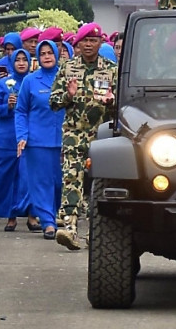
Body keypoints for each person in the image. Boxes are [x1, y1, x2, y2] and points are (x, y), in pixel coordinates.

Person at [49, 22, 117, 250]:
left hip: (102, 137)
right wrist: (68, 96)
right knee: (71, 181)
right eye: (84, 40)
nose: (88, 44)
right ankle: (69, 229)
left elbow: (123, 108)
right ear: (77, 44)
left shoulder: (111, 70)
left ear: (100, 43)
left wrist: (112, 102)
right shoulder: (67, 69)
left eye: (93, 40)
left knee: (98, 186)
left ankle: (96, 232)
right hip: (74, 134)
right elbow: (53, 103)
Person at [16, 40, 65, 241]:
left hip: (64, 139)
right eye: (42, 53)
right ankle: (48, 222)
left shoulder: (66, 77)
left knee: (58, 183)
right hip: (37, 141)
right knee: (41, 183)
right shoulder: (30, 80)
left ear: (56, 54)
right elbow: (20, 111)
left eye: (50, 53)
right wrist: (22, 136)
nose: (46, 56)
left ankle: (56, 214)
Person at [0, 49, 39, 232]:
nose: (21, 63)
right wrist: (7, 107)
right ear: (11, 62)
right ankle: (11, 217)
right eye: (17, 60)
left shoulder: (34, 82)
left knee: (28, 177)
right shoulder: (3, 84)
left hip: (28, 135)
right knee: (7, 179)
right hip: (5, 138)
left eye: (25, 59)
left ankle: (32, 216)